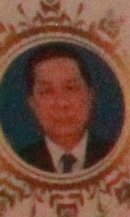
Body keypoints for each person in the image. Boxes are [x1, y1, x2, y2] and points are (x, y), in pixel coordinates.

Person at [12, 45, 110, 175]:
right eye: (47, 91)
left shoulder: (117, 157)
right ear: (32, 103)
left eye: (71, 88)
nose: (61, 103)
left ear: (90, 96)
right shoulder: (16, 165)